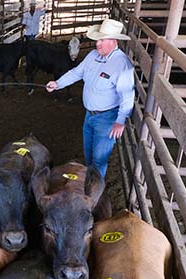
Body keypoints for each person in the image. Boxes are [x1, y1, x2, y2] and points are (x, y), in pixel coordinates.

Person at [46, 18, 134, 178]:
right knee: (89, 157)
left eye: (102, 40)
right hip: (89, 115)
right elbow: (76, 73)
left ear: (114, 41)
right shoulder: (93, 56)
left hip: (107, 118)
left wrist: (120, 121)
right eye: (97, 40)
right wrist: (58, 83)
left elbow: (127, 95)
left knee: (99, 160)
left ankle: (95, 194)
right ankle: (89, 184)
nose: (97, 44)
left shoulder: (122, 65)